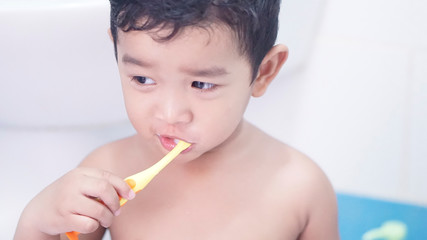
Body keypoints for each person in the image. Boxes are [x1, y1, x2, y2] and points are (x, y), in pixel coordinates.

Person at [15, 0, 339, 239]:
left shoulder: (301, 189)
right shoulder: (106, 173)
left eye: (202, 84)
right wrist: (36, 223)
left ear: (263, 72)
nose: (170, 114)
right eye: (142, 79)